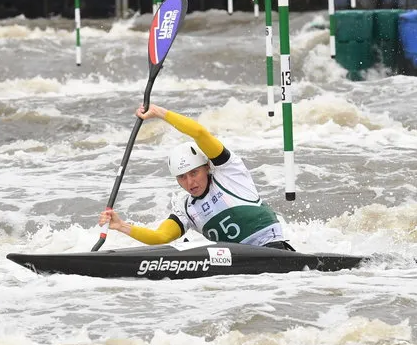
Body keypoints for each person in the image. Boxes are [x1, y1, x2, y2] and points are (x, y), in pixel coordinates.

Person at [97, 104, 293, 250]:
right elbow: (161, 236)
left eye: (194, 173)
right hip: (237, 262)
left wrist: (159, 113)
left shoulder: (228, 171)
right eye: (182, 177)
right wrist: (121, 226)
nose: (190, 182)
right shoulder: (186, 208)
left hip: (271, 246)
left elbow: (199, 133)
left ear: (206, 167)